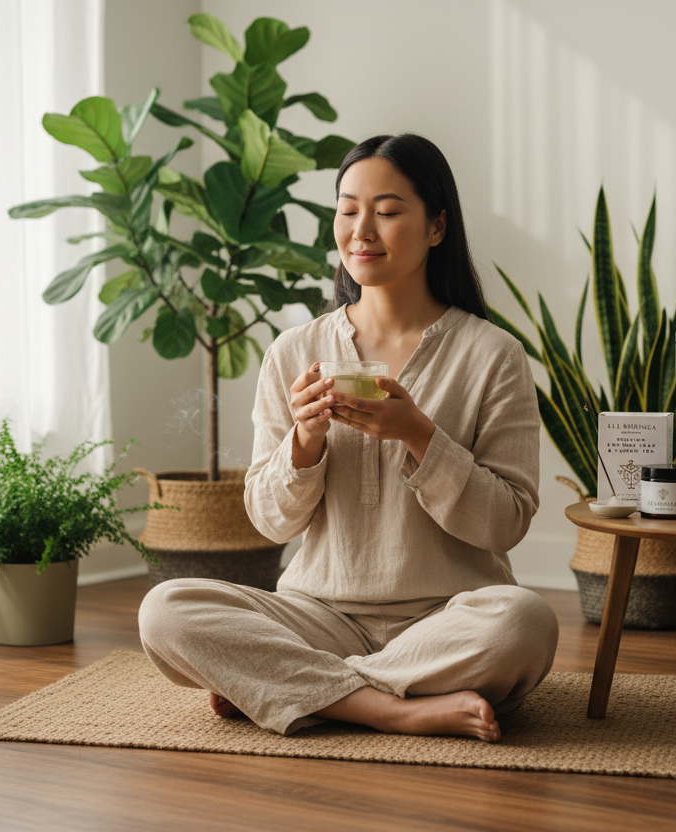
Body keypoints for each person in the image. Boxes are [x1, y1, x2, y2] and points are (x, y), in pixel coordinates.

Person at [138, 133, 558, 743]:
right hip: (317, 614)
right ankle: (393, 708)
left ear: (437, 227)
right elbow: (269, 522)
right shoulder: (295, 351)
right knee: (165, 610)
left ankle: (291, 688)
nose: (362, 229)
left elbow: (507, 523)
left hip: (447, 617)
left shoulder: (493, 356)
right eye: (347, 208)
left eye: (387, 212)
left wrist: (419, 435)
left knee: (524, 622)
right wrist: (304, 442)